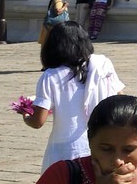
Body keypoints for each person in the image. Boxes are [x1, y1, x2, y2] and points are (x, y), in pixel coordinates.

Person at [24, 21, 125, 170]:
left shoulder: (51, 76)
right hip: (101, 144)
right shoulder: (102, 67)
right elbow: (121, 98)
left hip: (64, 149)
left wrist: (26, 116)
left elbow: (38, 121)